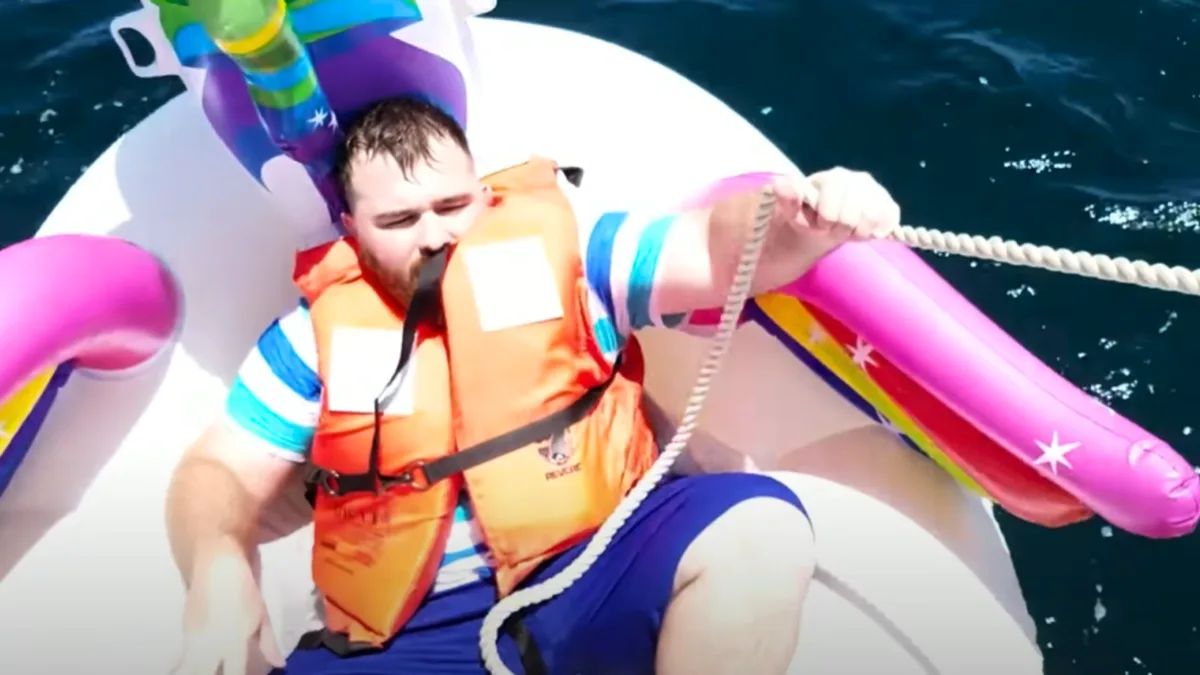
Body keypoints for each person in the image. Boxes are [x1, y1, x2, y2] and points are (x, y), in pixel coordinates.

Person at [165, 95, 901, 675]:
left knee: (759, 525)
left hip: (603, 561)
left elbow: (713, 247)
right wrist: (219, 564)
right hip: (415, 631)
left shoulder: (575, 256)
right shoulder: (311, 337)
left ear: (482, 197)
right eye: (398, 219)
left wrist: (806, 215)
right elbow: (216, 470)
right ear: (353, 228)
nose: (434, 235)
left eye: (452, 206)